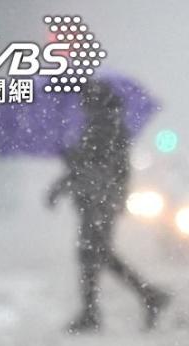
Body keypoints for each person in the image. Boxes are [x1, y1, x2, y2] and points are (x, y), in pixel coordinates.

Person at [47, 80, 169, 333]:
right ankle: (142, 297)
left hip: (98, 201)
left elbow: (89, 166)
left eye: (85, 100)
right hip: (100, 200)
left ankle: (107, 308)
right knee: (97, 254)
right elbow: (97, 166)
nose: (81, 105)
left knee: (93, 254)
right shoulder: (109, 126)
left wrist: (67, 159)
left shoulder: (104, 127)